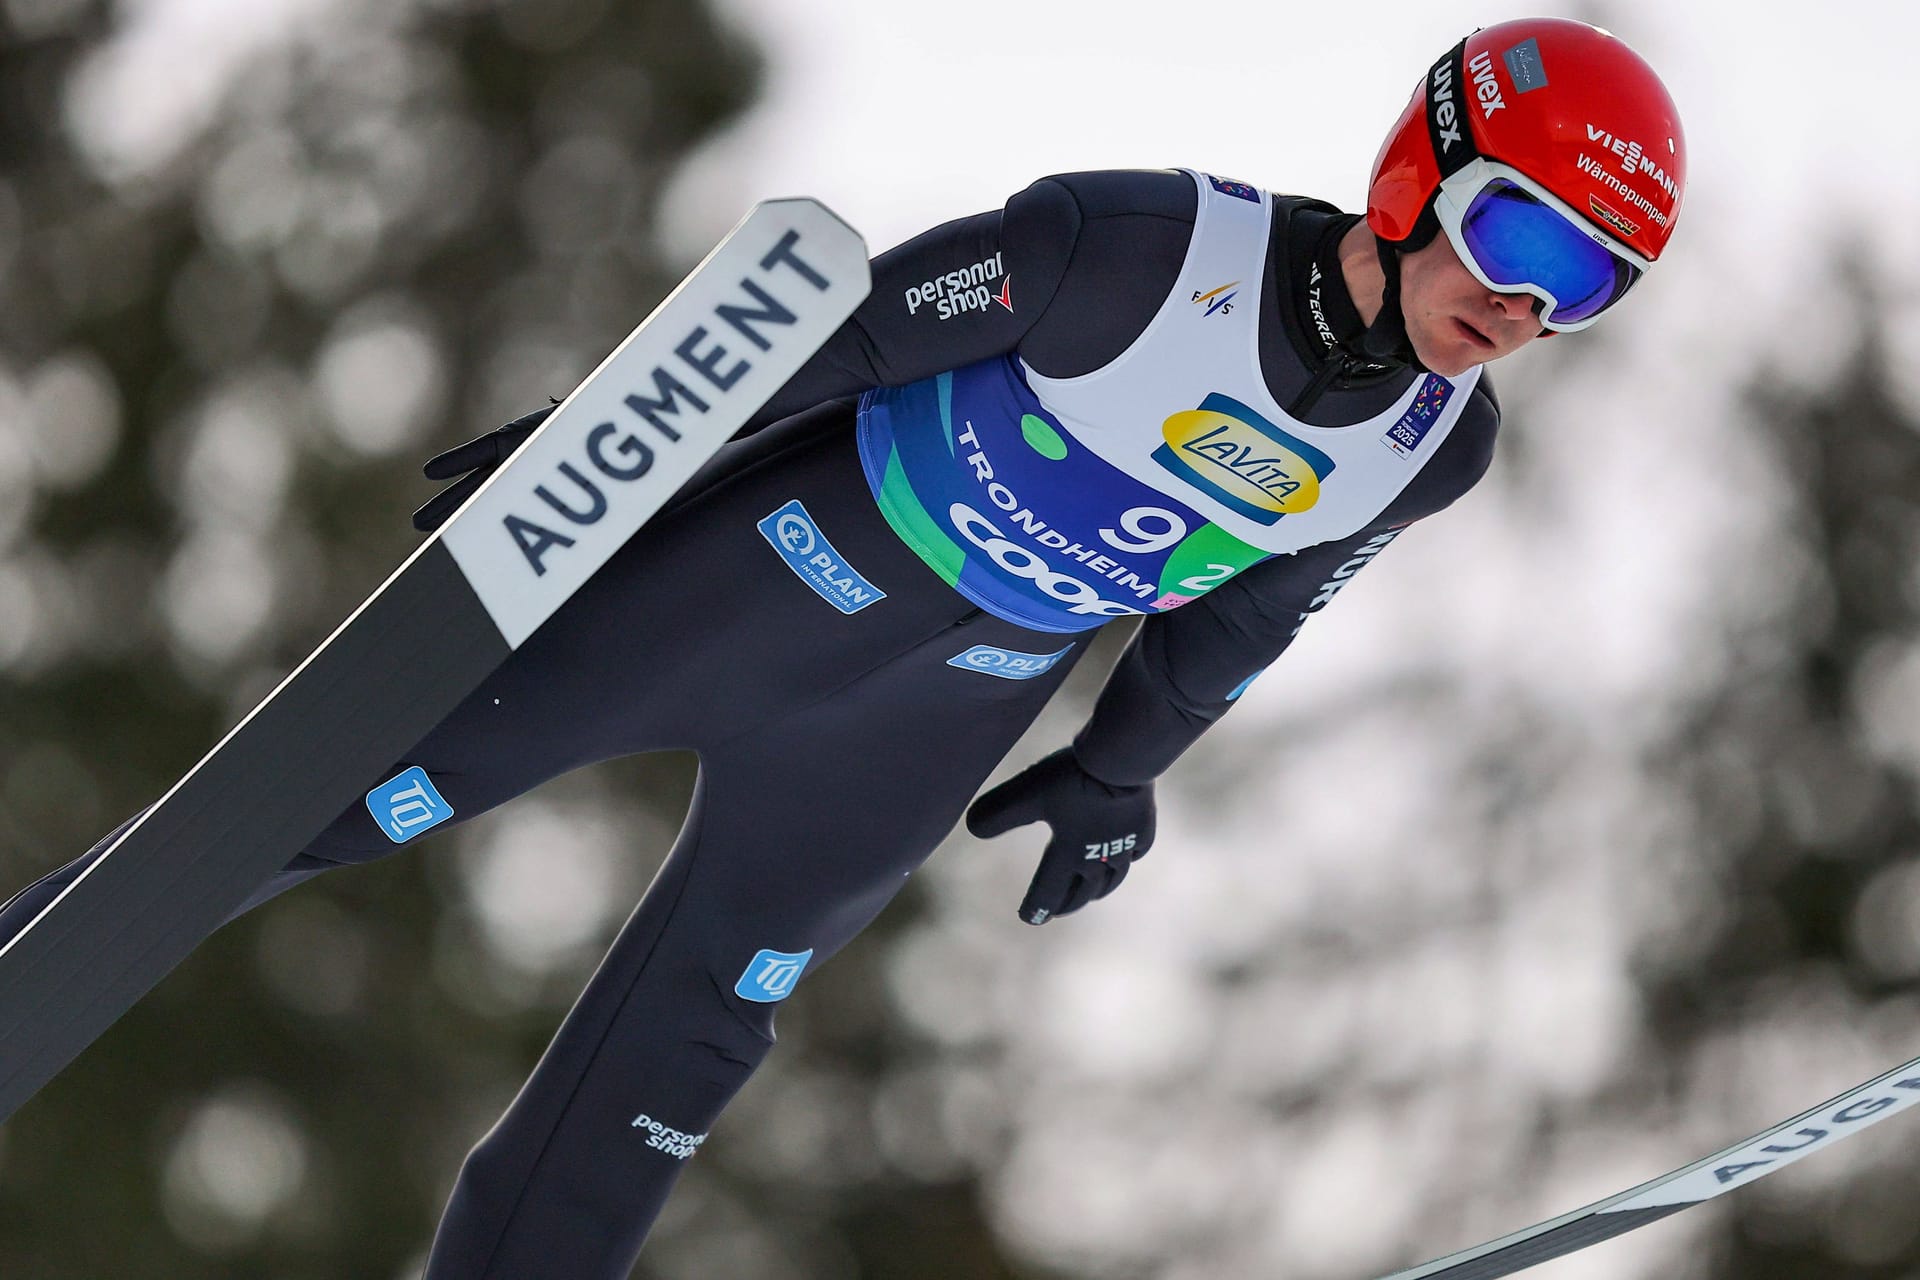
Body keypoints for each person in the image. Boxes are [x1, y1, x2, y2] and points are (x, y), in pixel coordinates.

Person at [0, 16, 1685, 1277]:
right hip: (759, 577)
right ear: (1420, 170)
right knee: (327, 805)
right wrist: (587, 456)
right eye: (1525, 241)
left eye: (1588, 288)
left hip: (928, 711)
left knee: (690, 1044)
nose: (1527, 310)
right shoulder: (1136, 252)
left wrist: (1118, 769)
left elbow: (1252, 611)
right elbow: (836, 332)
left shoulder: (1426, 449)